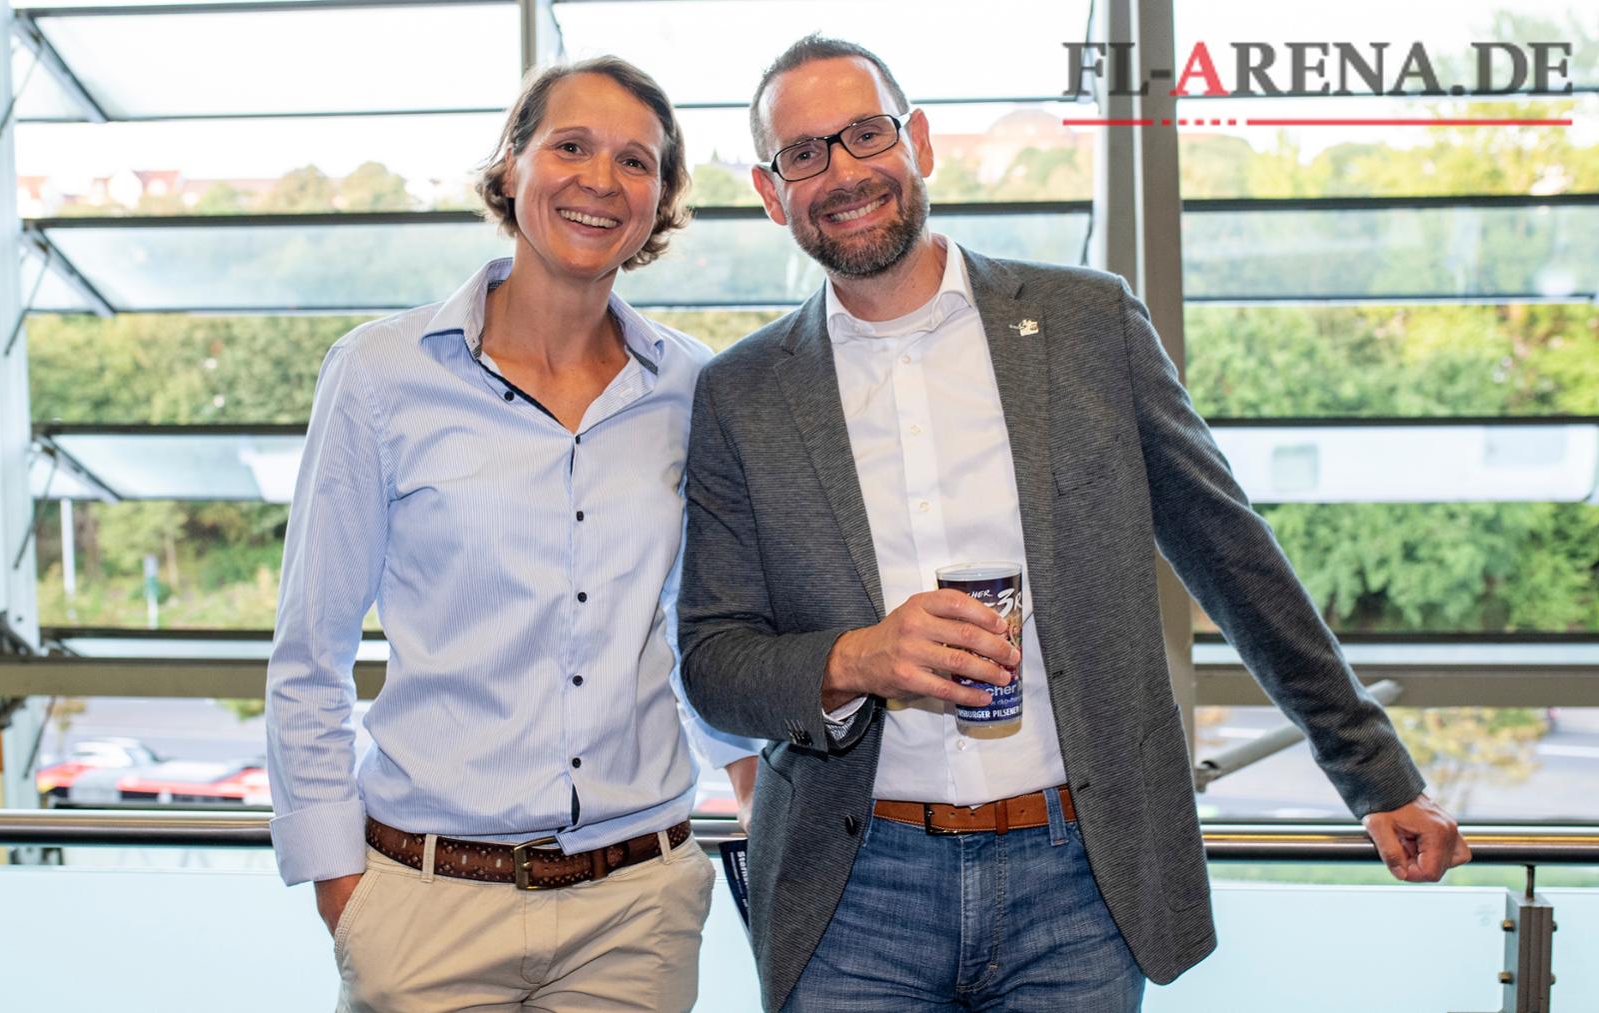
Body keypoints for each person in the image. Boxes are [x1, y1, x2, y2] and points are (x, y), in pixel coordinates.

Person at [677, 34, 1471, 1013]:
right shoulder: (741, 393)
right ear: (771, 193)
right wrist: (857, 659)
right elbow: (712, 661)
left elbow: (1233, 557)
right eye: (804, 153)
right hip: (853, 896)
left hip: (1077, 883)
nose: (842, 172)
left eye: (866, 134)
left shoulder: (1087, 324)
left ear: (920, 142)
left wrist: (1371, 767)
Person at [265, 56, 759, 1013]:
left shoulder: (691, 388)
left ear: (660, 200)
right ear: (510, 167)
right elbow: (309, 652)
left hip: (636, 913)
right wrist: (343, 891)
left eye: (635, 161)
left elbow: (698, 626)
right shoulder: (380, 373)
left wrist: (756, 797)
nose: (600, 180)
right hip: (427, 908)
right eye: (570, 146)